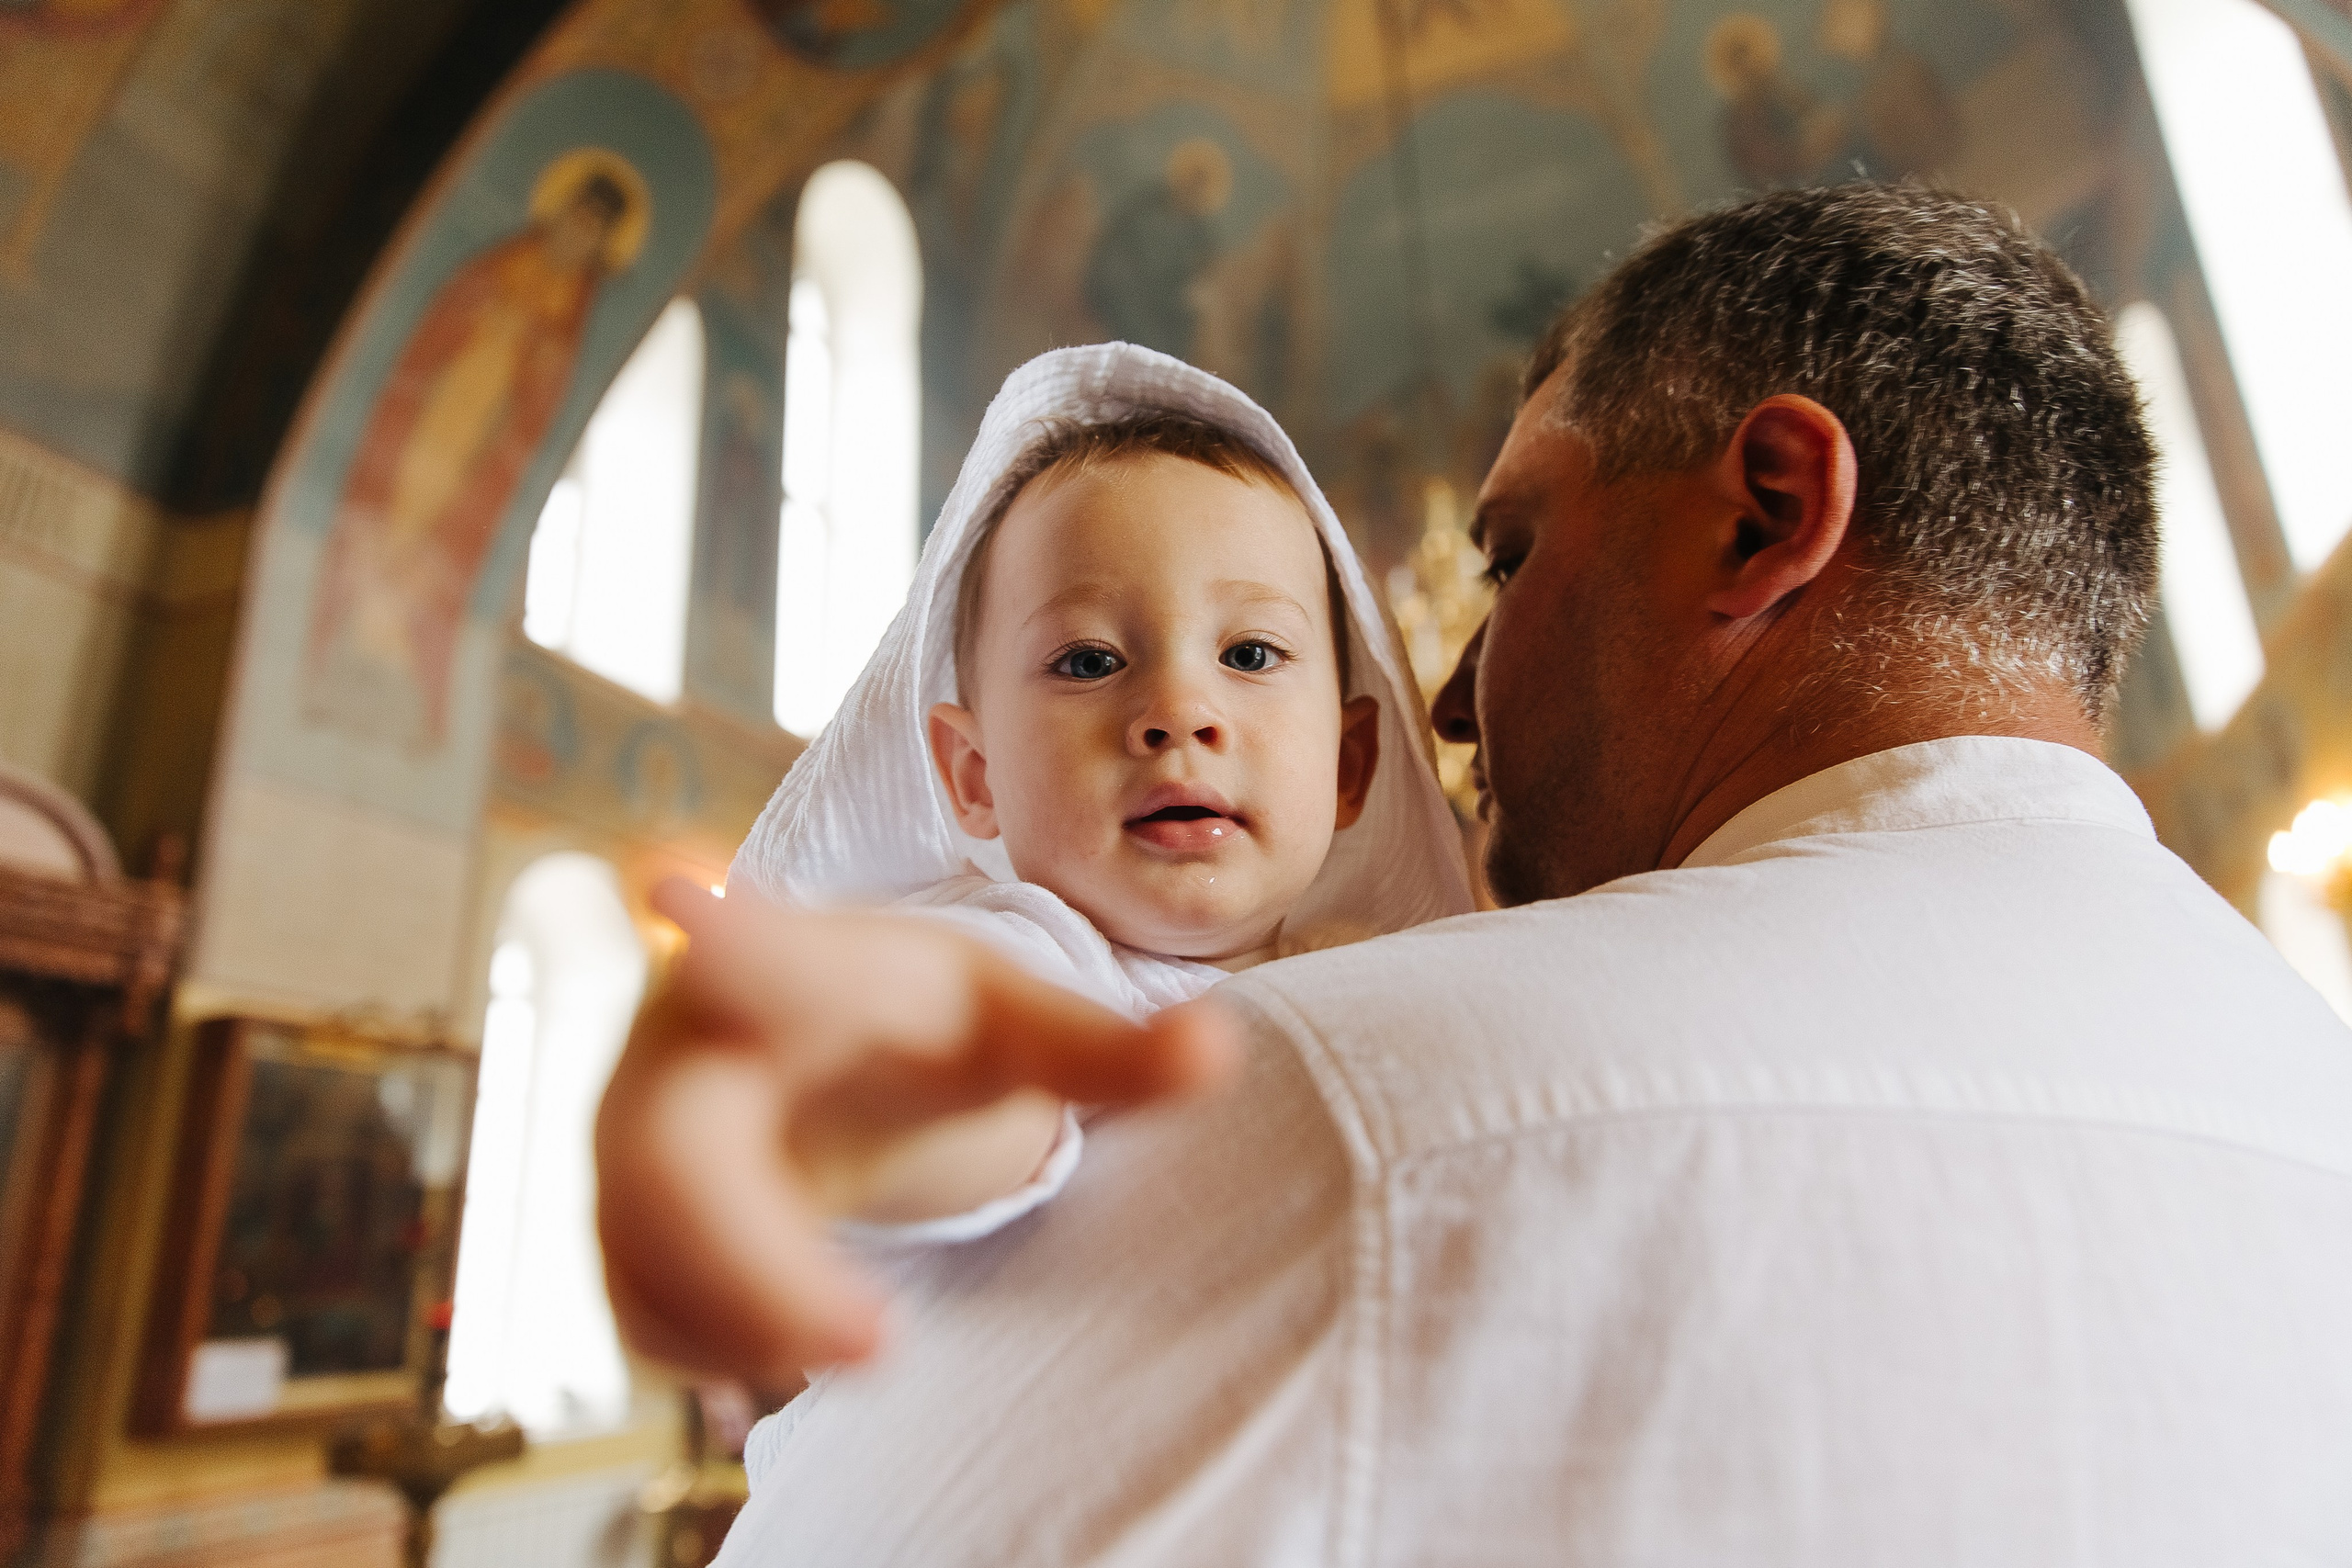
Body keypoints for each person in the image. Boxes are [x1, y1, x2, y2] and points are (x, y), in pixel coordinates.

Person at [598, 184, 2352, 1562]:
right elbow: (965, 1035)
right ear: (964, 769)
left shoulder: (1345, 1104)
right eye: (1084, 663)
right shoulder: (2317, 1093)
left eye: (1504, 558)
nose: (1445, 688)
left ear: (1762, 516)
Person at [711, 342, 1471, 1232]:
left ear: (1349, 768)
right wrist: (893, 1098)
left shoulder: (1377, 976)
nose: (1180, 712)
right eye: (1089, 660)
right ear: (974, 776)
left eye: (1249, 654)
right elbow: (964, 1063)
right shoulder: (1034, 959)